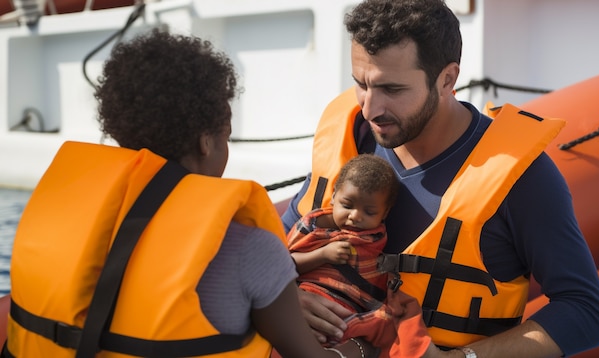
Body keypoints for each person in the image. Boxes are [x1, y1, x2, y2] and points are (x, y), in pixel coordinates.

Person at [5, 29, 372, 358]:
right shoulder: (250, 247)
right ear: (205, 141)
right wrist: (363, 346)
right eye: (226, 136)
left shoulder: (58, 213)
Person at [281, 0, 599, 357]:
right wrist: (285, 297)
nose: (370, 108)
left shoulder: (524, 177)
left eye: (392, 90)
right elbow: (273, 255)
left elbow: (584, 311)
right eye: (361, 84)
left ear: (447, 79)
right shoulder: (351, 137)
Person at [288, 154, 430, 357]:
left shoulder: (375, 238)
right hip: (310, 296)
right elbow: (285, 264)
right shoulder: (313, 226)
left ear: (385, 213)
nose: (355, 216)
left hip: (351, 313)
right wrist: (323, 255)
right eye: (347, 205)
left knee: (386, 323)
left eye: (369, 212)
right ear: (334, 195)